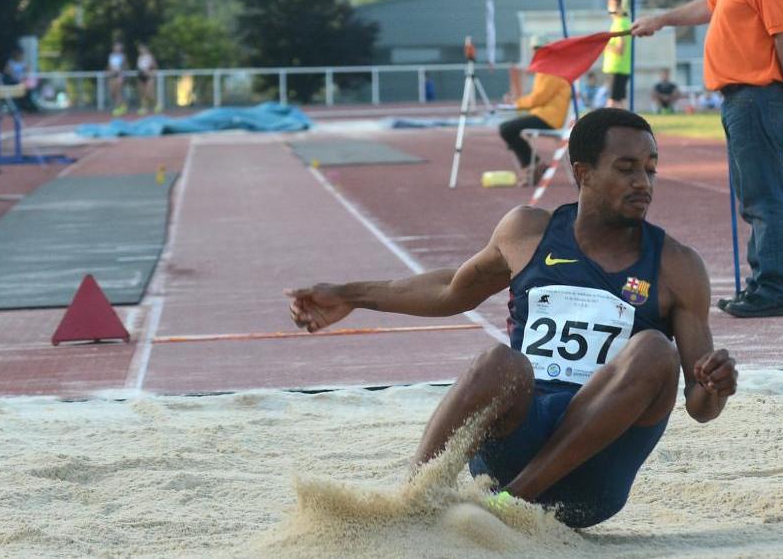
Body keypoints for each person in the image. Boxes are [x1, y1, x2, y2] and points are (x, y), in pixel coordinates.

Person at [287, 108, 737, 528]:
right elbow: (450, 290)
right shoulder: (526, 232)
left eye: (650, 168)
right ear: (582, 173)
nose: (643, 182)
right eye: (626, 168)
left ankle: (510, 508)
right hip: (516, 443)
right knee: (498, 361)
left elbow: (701, 405)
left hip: (594, 474)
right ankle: (414, 502)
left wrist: (714, 387)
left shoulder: (677, 266)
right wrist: (350, 295)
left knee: (656, 350)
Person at [632, 0, 783, 318]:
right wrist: (661, 20)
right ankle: (764, 283)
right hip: (744, 98)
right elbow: (708, 6)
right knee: (755, 195)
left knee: (765, 197)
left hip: (759, 97)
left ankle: (774, 289)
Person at [498, 51, 572, 186]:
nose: (534, 54)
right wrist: (517, 103)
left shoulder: (551, 72)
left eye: (537, 51)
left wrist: (517, 104)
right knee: (508, 130)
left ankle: (533, 165)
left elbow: (538, 98)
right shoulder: (548, 71)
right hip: (543, 115)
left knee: (506, 129)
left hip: (549, 118)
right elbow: (538, 98)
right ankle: (534, 165)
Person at [603, 0, 631, 108]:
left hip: (617, 68)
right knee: (621, 101)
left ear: (620, 7)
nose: (610, 10)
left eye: (613, 6)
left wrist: (604, 44)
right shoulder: (625, 22)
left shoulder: (619, 24)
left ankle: (607, 125)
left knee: (613, 102)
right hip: (623, 68)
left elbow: (620, 49)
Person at [135, 43, 157, 115]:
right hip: (141, 76)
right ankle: (144, 108)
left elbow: (154, 67)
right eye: (140, 49)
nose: (141, 50)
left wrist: (150, 73)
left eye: (142, 48)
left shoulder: (150, 57)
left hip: (149, 76)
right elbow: (139, 68)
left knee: (149, 93)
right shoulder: (139, 58)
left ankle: (155, 104)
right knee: (143, 93)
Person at [108, 41, 127, 116]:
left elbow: (125, 66)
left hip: (119, 75)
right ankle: (122, 105)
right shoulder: (111, 56)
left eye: (118, 46)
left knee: (118, 91)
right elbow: (110, 66)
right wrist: (110, 71)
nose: (117, 48)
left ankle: (118, 108)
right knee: (112, 92)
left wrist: (121, 73)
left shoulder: (123, 56)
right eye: (115, 46)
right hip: (112, 75)